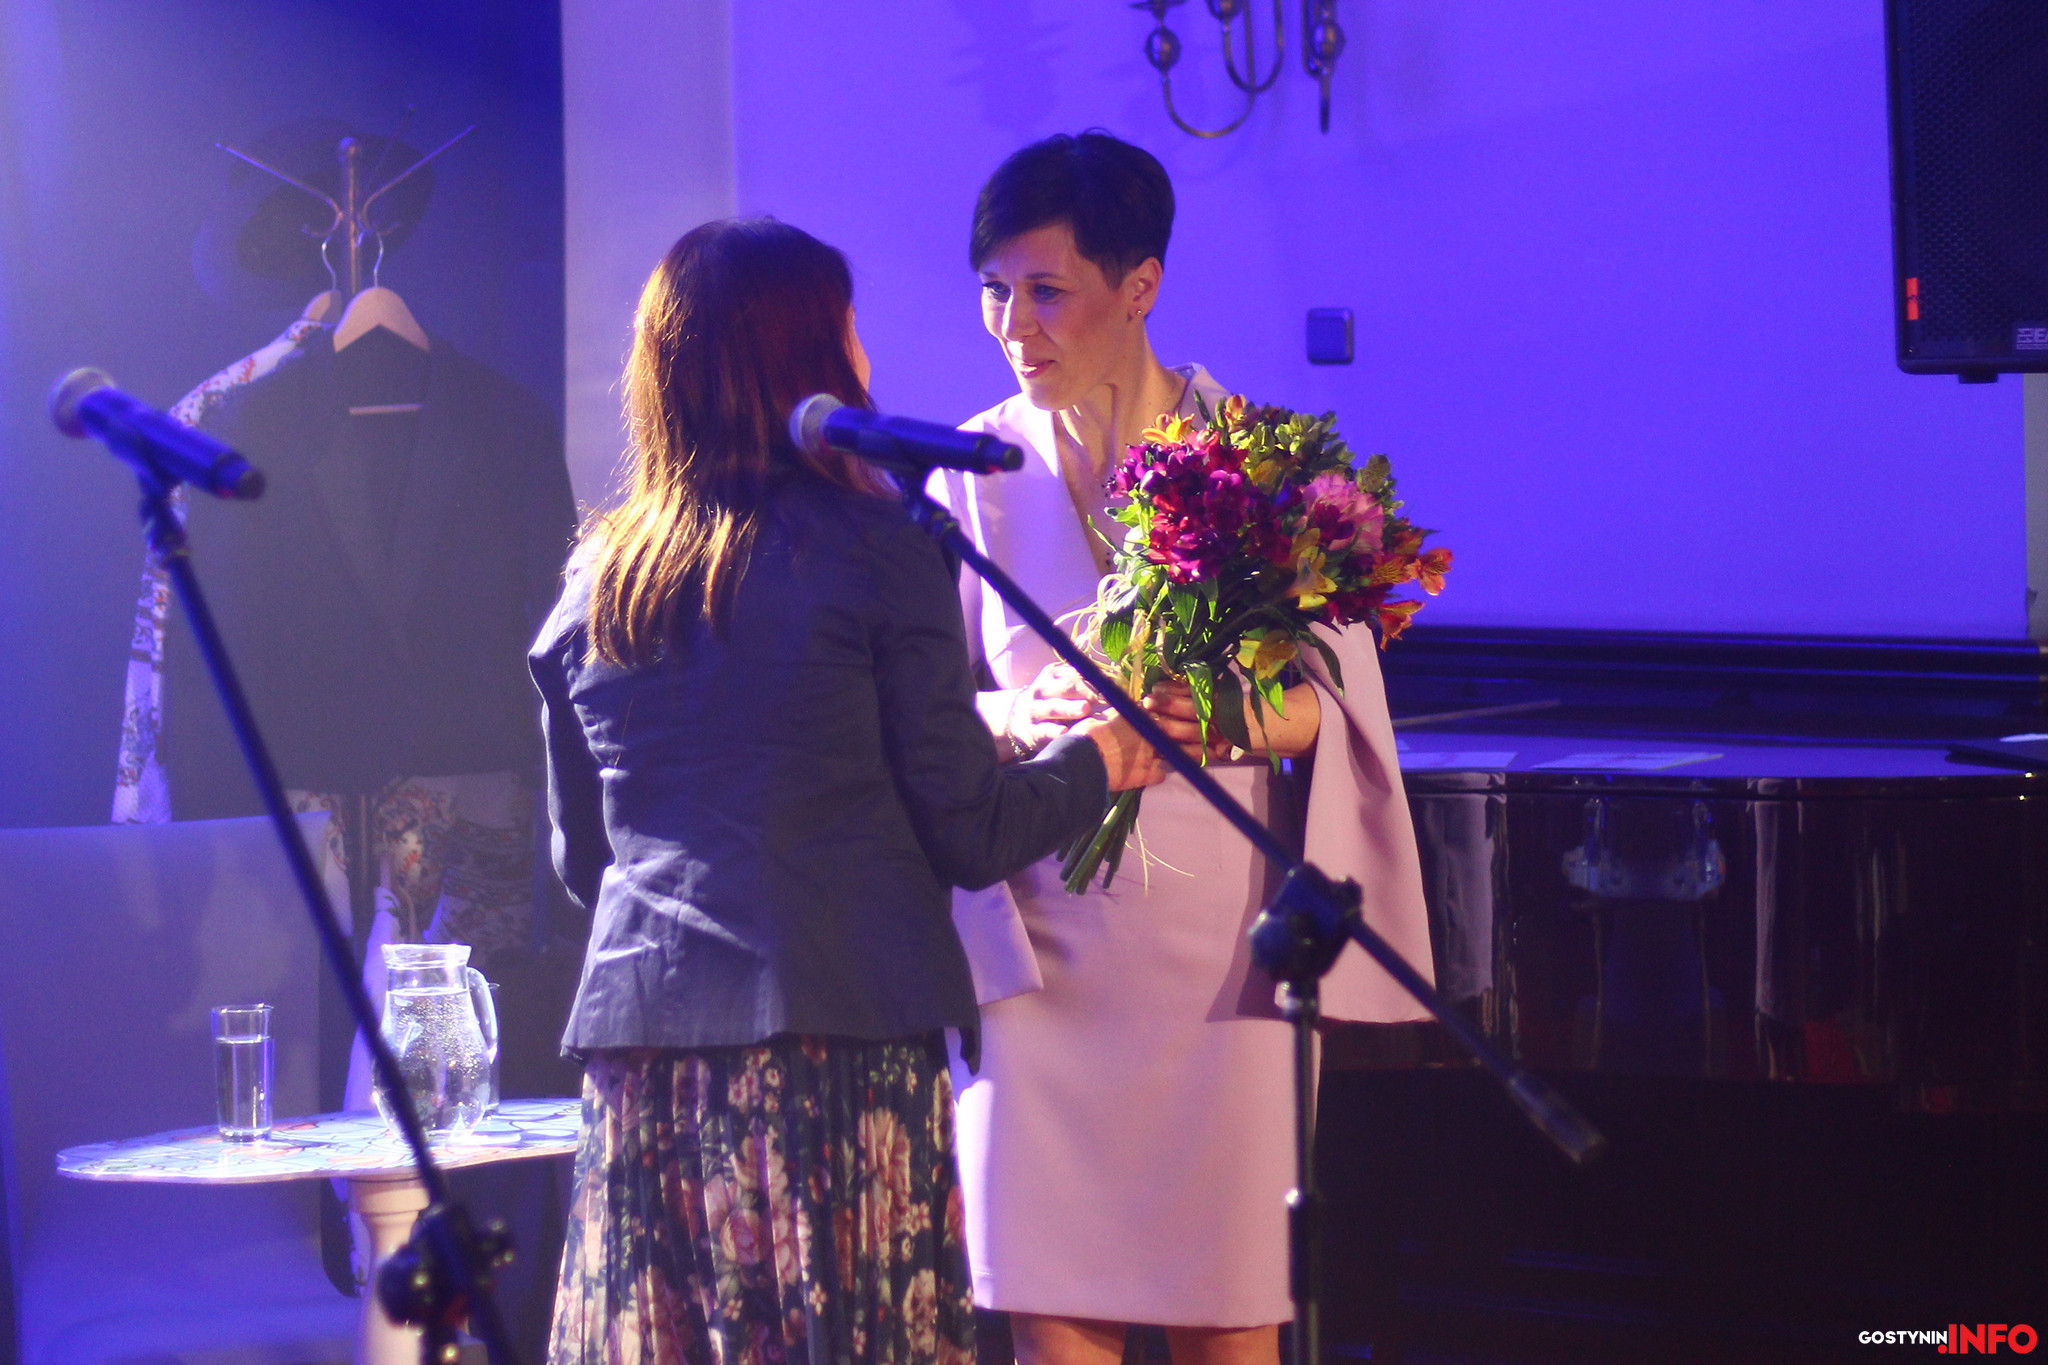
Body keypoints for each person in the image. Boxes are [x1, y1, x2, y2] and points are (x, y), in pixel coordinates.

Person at [533, 218, 1167, 1365]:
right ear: (810, 358)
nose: (865, 355)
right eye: (848, 327)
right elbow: (968, 830)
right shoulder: (876, 549)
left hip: (644, 1056)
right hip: (834, 1047)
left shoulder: (595, 578)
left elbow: (583, 863)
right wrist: (1105, 757)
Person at [933, 133, 1438, 1365]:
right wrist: (1010, 718)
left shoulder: (1255, 458)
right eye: (994, 292)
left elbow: (1328, 705)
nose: (1013, 327)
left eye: (1045, 291)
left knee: (1227, 1314)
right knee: (1050, 1315)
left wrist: (1202, 711)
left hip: (1219, 957)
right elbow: (924, 710)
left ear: (1139, 286)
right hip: (1034, 947)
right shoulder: (964, 473)